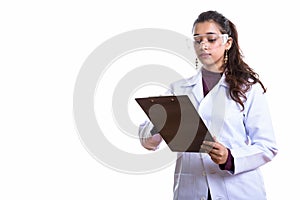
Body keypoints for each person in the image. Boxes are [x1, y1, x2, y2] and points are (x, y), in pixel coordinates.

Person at [138, 10, 278, 200]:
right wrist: (160, 123)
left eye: (211, 39)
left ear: (228, 43)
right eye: (198, 40)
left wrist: (229, 157)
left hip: (238, 190)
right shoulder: (178, 89)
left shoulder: (248, 89)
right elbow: (148, 141)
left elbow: (267, 146)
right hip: (191, 190)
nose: (203, 45)